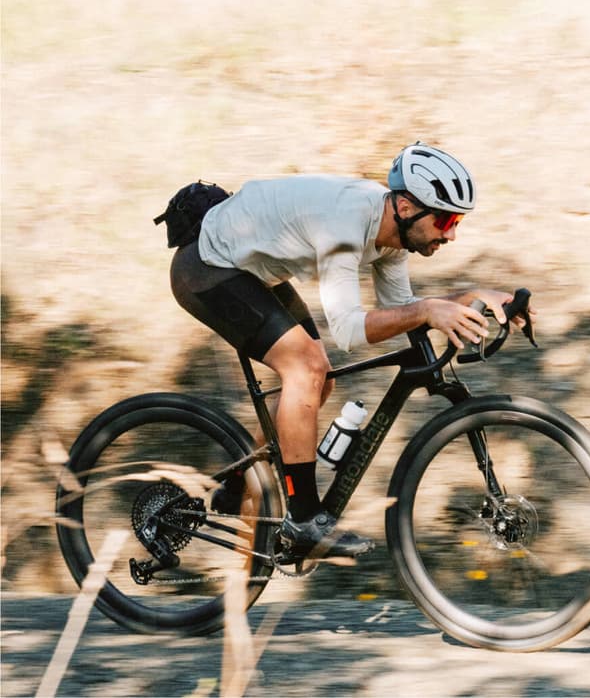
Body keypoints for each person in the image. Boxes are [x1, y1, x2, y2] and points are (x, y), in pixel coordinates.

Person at [169, 142, 523, 558]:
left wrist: (467, 297)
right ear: (407, 207)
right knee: (305, 369)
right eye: (446, 219)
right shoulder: (346, 221)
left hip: (250, 270)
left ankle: (240, 482)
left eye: (458, 220)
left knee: (318, 383)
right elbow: (350, 330)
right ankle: (303, 519)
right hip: (207, 268)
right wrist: (429, 310)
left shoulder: (391, 237)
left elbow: (400, 312)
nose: (452, 233)